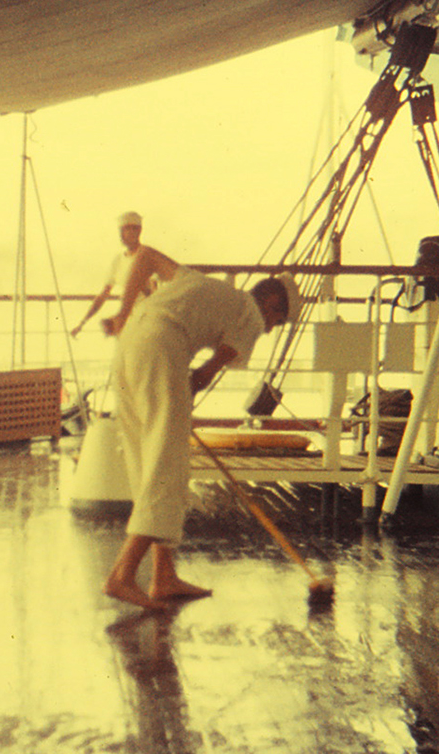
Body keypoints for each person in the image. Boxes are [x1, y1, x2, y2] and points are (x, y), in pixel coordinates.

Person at [100, 247, 300, 610]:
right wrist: (180, 400)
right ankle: (122, 575)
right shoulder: (252, 315)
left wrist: (121, 312)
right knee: (168, 466)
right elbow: (205, 374)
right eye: (279, 321)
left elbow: (143, 256)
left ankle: (163, 576)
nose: (271, 329)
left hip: (129, 344)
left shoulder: (194, 279)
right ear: (270, 303)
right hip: (162, 348)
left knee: (146, 458)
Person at [71, 211, 161, 337]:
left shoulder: (147, 256)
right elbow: (103, 294)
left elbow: (155, 293)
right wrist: (82, 322)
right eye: (121, 232)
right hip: (126, 322)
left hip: (146, 322)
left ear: (138, 231)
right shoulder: (118, 261)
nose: (121, 236)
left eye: (125, 231)